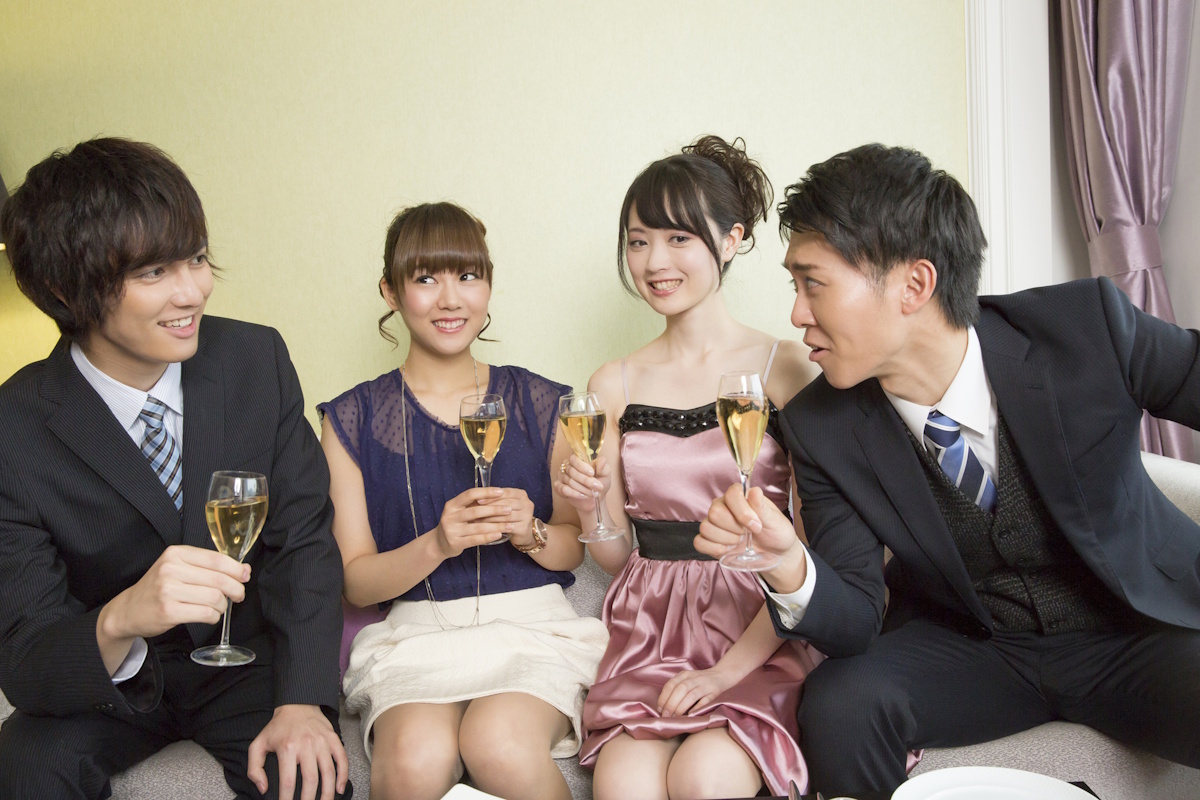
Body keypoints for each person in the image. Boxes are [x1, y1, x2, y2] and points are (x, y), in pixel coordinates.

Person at [698, 142, 1200, 795]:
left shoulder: (1083, 327)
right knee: (842, 701)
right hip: (980, 648)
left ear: (915, 284)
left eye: (812, 283)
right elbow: (852, 618)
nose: (796, 315)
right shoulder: (821, 425)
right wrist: (786, 563)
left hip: (1133, 632)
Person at [0, 138, 351, 799]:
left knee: (310, 780)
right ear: (61, 289)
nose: (193, 291)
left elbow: (303, 544)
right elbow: (25, 655)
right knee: (22, 767)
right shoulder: (13, 428)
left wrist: (305, 702)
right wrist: (121, 617)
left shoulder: (256, 360)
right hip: (109, 686)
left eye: (194, 258)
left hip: (246, 667)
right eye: (153, 274)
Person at [556, 135, 822, 800]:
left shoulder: (784, 369)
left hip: (760, 621)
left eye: (678, 239)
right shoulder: (613, 382)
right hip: (650, 632)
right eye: (639, 241)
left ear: (730, 241)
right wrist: (589, 506)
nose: (654, 261)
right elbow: (619, 557)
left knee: (705, 778)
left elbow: (821, 550)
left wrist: (725, 672)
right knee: (622, 786)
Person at [318, 201, 608, 800]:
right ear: (391, 292)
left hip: (532, 629)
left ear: (488, 285)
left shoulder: (540, 401)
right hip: (416, 637)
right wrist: (438, 543)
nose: (451, 299)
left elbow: (568, 554)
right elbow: (358, 583)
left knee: (498, 743)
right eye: (426, 278)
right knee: (412, 761)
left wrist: (529, 528)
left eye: (468, 277)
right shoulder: (353, 418)